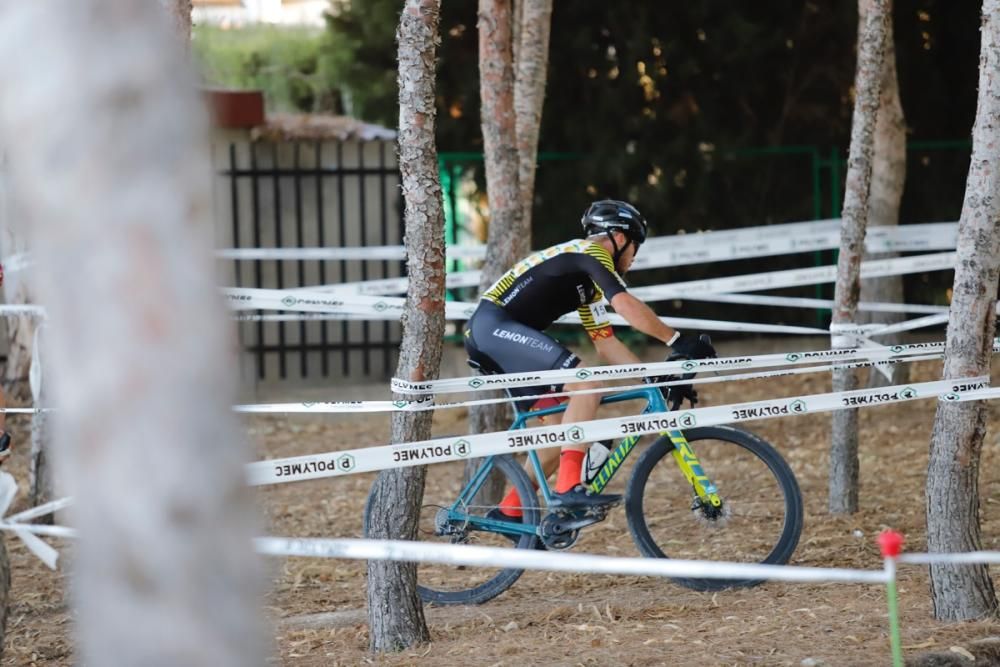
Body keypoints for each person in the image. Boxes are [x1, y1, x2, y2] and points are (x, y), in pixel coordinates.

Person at [463, 199, 716, 518]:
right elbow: (624, 303)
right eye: (635, 247)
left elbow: (606, 344)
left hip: (499, 336)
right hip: (494, 327)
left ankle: (508, 514)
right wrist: (678, 340)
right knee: (588, 385)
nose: (634, 258)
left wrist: (654, 381)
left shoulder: (586, 284)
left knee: (557, 439)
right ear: (620, 238)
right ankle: (568, 489)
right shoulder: (590, 253)